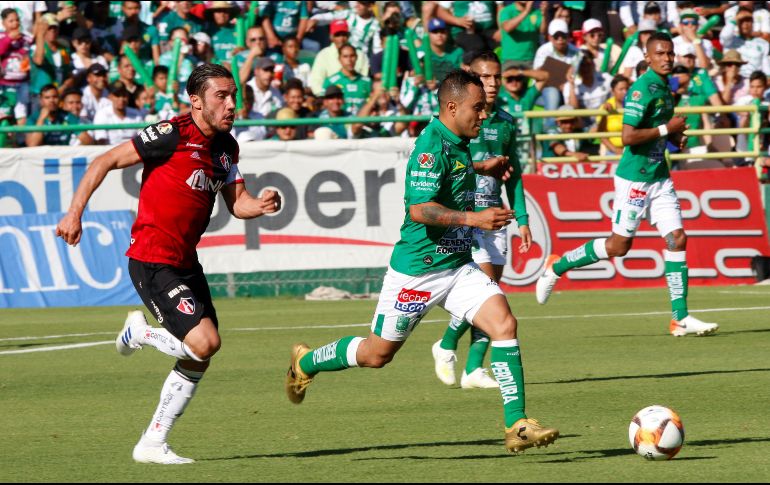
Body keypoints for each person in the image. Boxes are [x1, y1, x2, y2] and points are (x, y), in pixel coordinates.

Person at [285, 69, 559, 454]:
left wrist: (483, 168)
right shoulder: (431, 145)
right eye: (477, 108)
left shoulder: (460, 140)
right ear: (452, 106)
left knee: (504, 323)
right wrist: (473, 218)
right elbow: (419, 209)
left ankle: (517, 424)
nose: (483, 115)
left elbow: (454, 175)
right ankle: (307, 361)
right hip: (418, 271)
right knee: (376, 354)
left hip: (458, 265)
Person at [55, 63, 281, 464]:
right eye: (221, 96)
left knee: (201, 354)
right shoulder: (170, 134)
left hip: (185, 262)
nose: (231, 104)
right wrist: (75, 213)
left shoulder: (226, 147)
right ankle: (140, 334)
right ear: (195, 101)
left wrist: (259, 205)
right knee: (205, 342)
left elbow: (238, 203)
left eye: (234, 95)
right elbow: (103, 162)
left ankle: (152, 442)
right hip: (152, 260)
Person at [535, 32, 720, 338]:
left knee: (677, 238)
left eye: (670, 53)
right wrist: (667, 128)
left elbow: (657, 131)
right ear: (647, 57)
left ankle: (680, 318)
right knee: (618, 246)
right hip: (635, 179)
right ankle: (557, 265)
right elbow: (628, 137)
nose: (666, 58)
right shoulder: (641, 90)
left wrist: (673, 137)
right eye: (660, 53)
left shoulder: (665, 87)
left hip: (659, 177)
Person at [431, 52, 532, 390]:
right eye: (484, 77)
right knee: (486, 290)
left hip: (496, 216)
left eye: (496, 77)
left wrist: (522, 217)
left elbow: (513, 174)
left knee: (492, 294)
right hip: (468, 218)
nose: (491, 84)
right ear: (470, 79)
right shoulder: (458, 119)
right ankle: (446, 345)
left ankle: (473, 368)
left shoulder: (505, 121)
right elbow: (448, 168)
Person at [308, 19, 370, 96]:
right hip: (331, 99)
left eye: (344, 35)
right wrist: (325, 99)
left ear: (348, 36)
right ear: (331, 37)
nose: (341, 39)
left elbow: (364, 81)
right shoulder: (323, 55)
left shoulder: (360, 55)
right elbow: (316, 82)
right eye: (337, 35)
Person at [322, 43, 372, 115]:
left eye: (352, 56)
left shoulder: (367, 82)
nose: (349, 60)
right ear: (339, 59)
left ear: (356, 57)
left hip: (361, 123)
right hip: (339, 123)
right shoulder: (330, 82)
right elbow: (325, 107)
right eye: (345, 56)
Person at [92, 81, 144, 145]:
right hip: (110, 151)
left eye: (124, 95)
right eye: (117, 95)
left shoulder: (136, 113)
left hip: (132, 151)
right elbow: (101, 140)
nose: (121, 99)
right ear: (110, 97)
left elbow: (142, 137)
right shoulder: (102, 114)